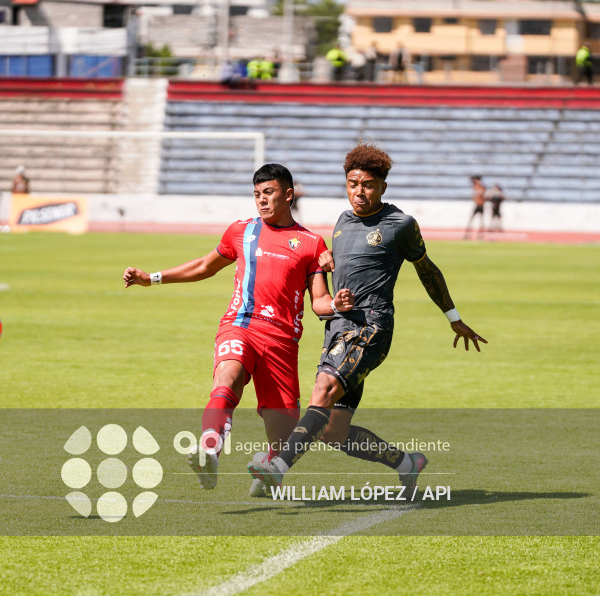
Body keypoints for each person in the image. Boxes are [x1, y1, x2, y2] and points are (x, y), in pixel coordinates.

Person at [248, 142, 487, 495]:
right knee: (333, 431)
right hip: (338, 329)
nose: (359, 192)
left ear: (382, 187)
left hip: (371, 327)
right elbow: (340, 273)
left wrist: (453, 317)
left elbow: (427, 269)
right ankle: (407, 463)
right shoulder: (343, 222)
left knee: (322, 391)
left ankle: (278, 467)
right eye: (353, 184)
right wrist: (328, 271)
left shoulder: (400, 224)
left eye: (368, 185)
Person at [124, 164, 350, 496]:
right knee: (226, 377)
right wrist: (152, 278)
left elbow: (319, 301)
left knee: (285, 439)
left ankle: (268, 466)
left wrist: (336, 307)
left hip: (282, 342)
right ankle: (209, 450)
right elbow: (204, 266)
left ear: (288, 195)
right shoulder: (241, 231)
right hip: (240, 325)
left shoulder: (311, 244)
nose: (261, 200)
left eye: (269, 193)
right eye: (257, 194)